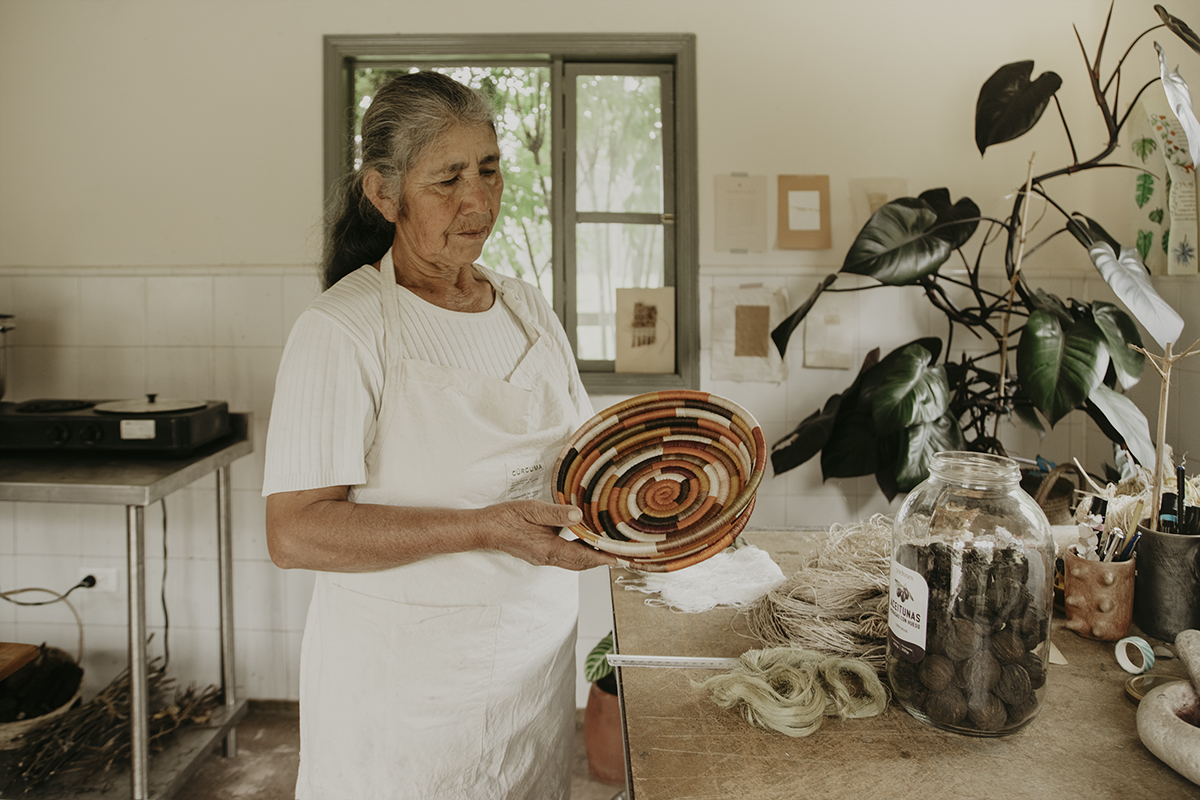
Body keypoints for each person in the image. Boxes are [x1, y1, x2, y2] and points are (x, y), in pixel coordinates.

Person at [262, 71, 616, 800]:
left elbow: (582, 458)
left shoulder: (525, 308)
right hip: (405, 700)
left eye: (488, 169)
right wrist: (483, 527)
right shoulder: (343, 328)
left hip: (530, 672)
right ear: (384, 194)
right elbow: (293, 534)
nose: (478, 201)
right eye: (447, 179)